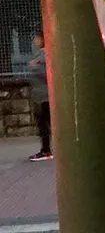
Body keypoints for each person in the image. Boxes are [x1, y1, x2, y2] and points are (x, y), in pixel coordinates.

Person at [28, 32, 53, 161]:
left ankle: (46, 150)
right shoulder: (41, 54)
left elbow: (46, 73)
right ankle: (47, 149)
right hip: (41, 95)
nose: (34, 41)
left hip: (44, 95)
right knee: (45, 123)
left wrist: (34, 67)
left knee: (44, 124)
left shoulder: (44, 54)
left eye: (37, 38)